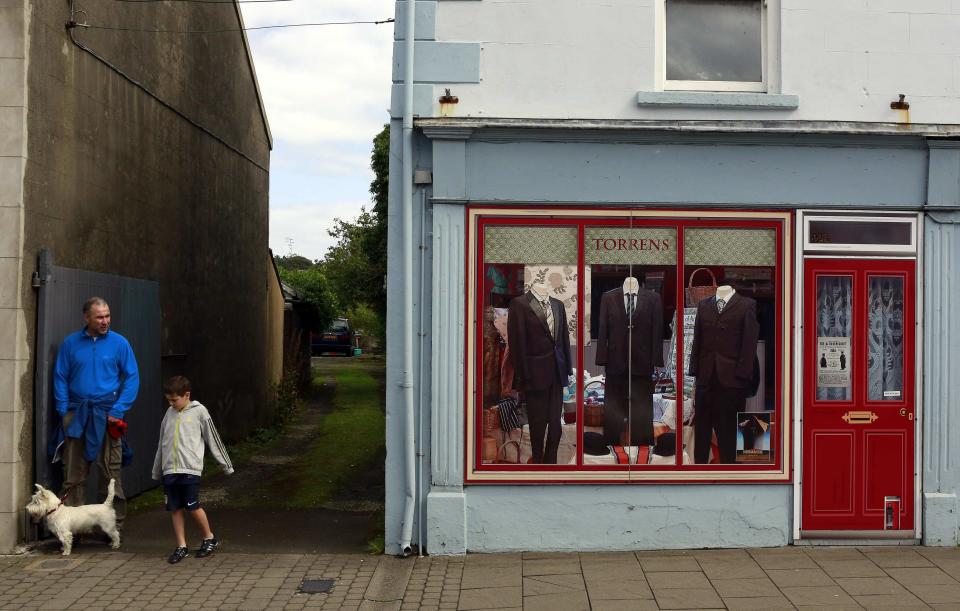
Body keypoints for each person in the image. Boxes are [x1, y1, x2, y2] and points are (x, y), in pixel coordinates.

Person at [54, 296, 139, 532]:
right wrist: (63, 410)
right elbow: (60, 376)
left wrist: (118, 409)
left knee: (110, 472)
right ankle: (72, 528)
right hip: (77, 415)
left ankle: (113, 526)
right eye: (99, 316)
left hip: (107, 415)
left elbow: (132, 377)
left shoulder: (120, 343)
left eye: (107, 316)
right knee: (73, 472)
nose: (105, 321)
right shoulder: (70, 344)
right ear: (86, 317)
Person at [152, 376, 234, 564]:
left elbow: (213, 439)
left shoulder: (200, 412)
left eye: (174, 400)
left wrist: (226, 465)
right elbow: (162, 444)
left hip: (190, 469)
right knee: (175, 508)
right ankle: (181, 546)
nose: (171, 404)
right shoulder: (169, 414)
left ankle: (209, 537)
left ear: (186, 395)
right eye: (168, 400)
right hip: (170, 470)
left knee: (192, 506)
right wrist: (158, 470)